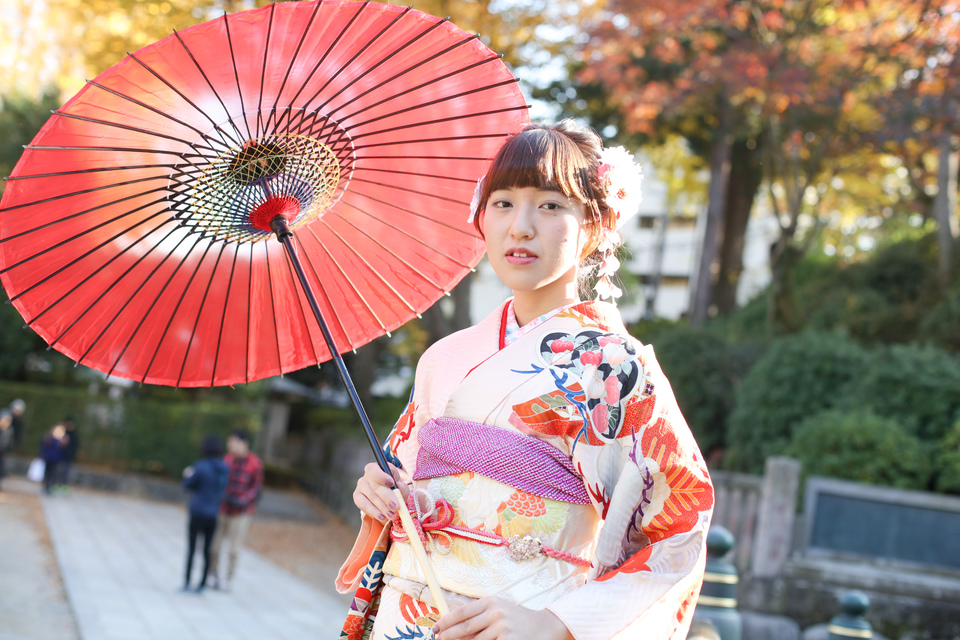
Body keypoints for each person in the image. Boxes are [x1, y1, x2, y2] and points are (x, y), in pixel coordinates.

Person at [337, 121, 715, 640]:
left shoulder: (613, 367)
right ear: (481, 218)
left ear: (596, 226)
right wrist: (381, 491)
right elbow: (404, 478)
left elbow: (677, 530)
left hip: (520, 622)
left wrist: (557, 624)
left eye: (551, 205)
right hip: (408, 616)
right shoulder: (445, 357)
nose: (521, 226)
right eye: (503, 203)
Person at [207, 429, 263, 591]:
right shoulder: (227, 460)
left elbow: (256, 489)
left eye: (233, 442)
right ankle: (213, 575)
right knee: (214, 545)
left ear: (243, 443)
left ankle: (228, 579)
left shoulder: (254, 463)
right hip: (223, 508)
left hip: (242, 513)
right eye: (229, 442)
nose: (230, 445)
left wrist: (242, 500)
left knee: (234, 549)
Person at [182, 435, 229, 593]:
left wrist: (187, 474)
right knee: (207, 550)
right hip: (213, 514)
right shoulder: (224, 469)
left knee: (192, 548)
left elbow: (189, 485)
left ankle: (187, 583)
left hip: (197, 512)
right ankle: (202, 584)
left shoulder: (200, 466)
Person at [39, 423, 67, 496]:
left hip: (56, 459)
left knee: (53, 474)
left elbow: (64, 451)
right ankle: (46, 486)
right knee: (47, 473)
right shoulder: (49, 438)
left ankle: (50, 488)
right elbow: (43, 447)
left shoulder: (63, 441)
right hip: (48, 458)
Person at [57, 417, 80, 493]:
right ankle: (56, 485)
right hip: (60, 456)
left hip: (68, 457)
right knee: (58, 471)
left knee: (66, 472)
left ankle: (63, 486)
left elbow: (75, 446)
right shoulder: (62, 433)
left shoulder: (73, 434)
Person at [0, 410, 13, 491]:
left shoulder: (9, 431)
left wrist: (7, 453)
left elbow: (10, 443)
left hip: (3, 453)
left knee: (2, 469)